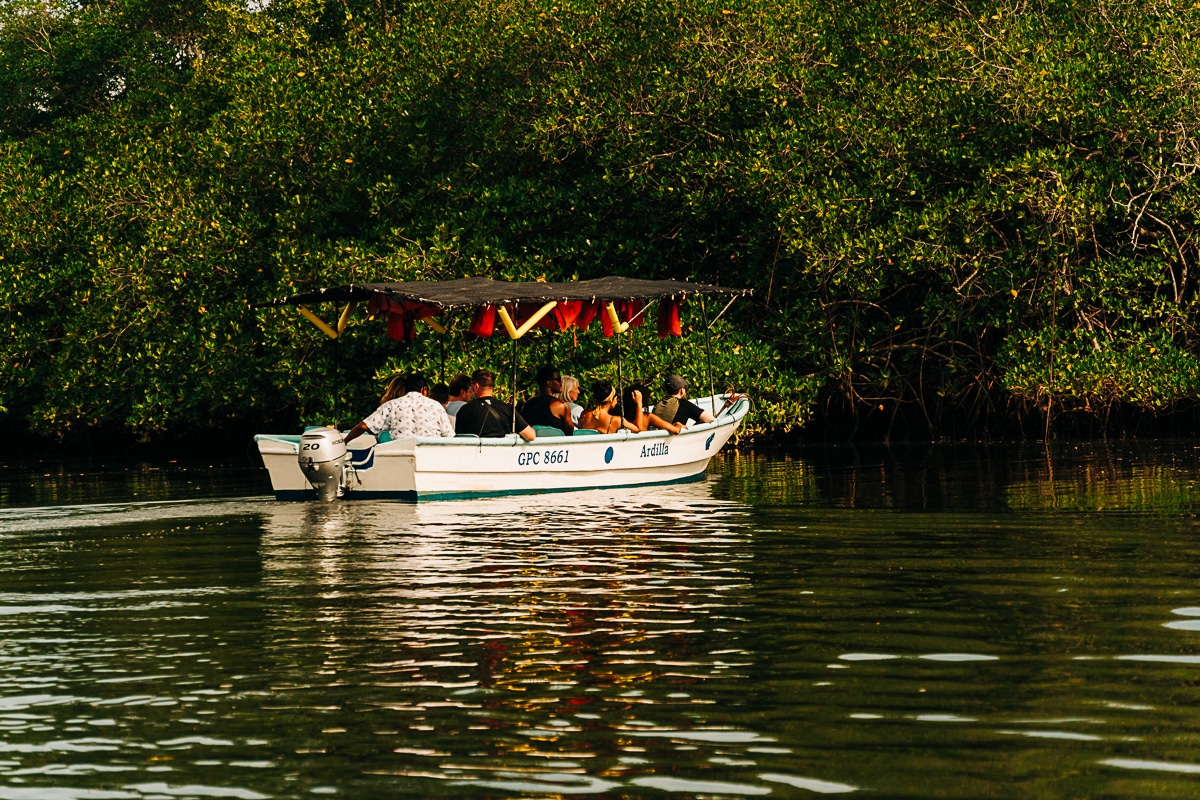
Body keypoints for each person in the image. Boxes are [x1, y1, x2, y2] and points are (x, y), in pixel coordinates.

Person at [344, 372, 455, 443]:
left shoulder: (391, 405)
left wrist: (345, 442)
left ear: (405, 389)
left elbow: (362, 426)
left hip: (401, 458)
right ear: (423, 390)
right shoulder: (436, 406)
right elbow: (450, 437)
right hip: (430, 458)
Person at [455, 369, 536, 441]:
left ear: (476, 386)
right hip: (502, 455)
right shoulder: (507, 409)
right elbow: (531, 436)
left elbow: (460, 440)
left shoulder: (465, 410)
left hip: (476, 455)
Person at [521, 365, 574, 434]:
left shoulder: (527, 405)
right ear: (549, 383)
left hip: (534, 443)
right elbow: (570, 431)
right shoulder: (560, 405)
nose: (561, 383)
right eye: (558, 380)